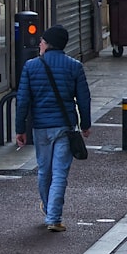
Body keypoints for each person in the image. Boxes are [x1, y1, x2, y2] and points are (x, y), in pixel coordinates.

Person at [15, 25, 93, 233]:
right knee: (60, 173)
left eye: (41, 40)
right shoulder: (74, 66)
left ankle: (49, 208)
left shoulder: (31, 67)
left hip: (40, 126)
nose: (39, 44)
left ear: (47, 43)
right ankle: (54, 217)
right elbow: (84, 99)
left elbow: (22, 100)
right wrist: (85, 124)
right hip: (65, 126)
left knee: (44, 171)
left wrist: (20, 128)